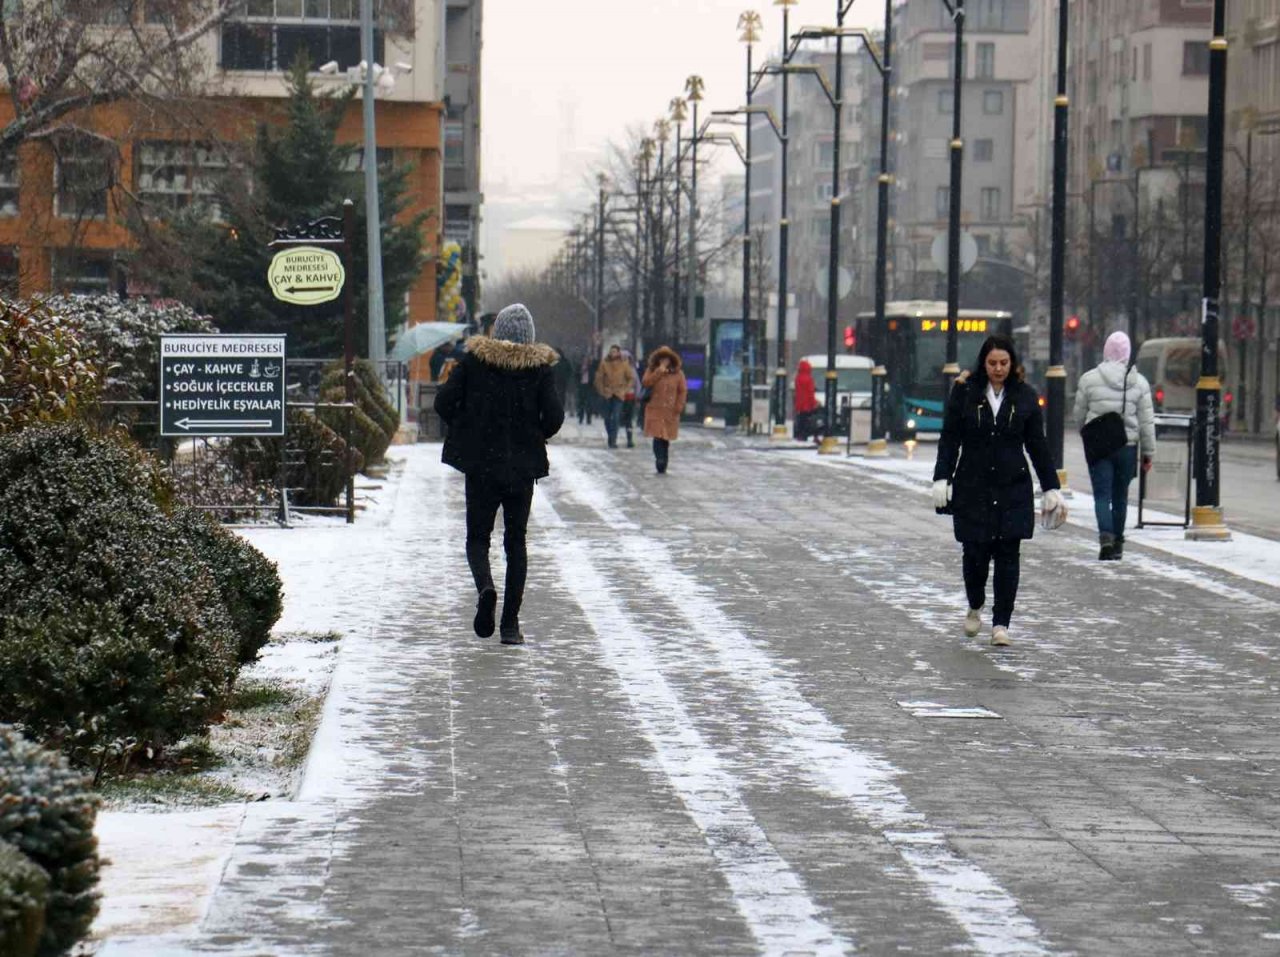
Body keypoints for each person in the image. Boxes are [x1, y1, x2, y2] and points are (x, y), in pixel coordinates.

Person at [435, 303, 564, 645]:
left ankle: (485, 587)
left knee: (478, 538)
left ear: (497, 332)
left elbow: (443, 403)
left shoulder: (474, 362)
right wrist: (533, 434)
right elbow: (554, 417)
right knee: (516, 542)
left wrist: (467, 427)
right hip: (522, 469)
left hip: (481, 465)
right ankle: (510, 625)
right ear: (529, 336)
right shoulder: (539, 369)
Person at [932, 335, 1063, 647]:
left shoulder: (1025, 397)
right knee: (974, 554)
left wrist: (1051, 487)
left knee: (1008, 556)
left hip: (1012, 488)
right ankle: (975, 603)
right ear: (984, 363)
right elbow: (950, 438)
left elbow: (1037, 445)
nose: (998, 369)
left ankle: (1001, 623)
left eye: (1004, 363)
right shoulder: (966, 392)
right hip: (972, 486)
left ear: (1012, 363)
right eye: (992, 363)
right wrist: (942, 477)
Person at [1074, 330, 1156, 561]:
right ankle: (1118, 541)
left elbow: (1079, 415)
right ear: (1127, 353)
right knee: (1120, 496)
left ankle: (1106, 539)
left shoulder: (1089, 379)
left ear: (1105, 351)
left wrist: (1088, 433)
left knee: (1102, 496)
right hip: (1126, 446)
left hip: (1099, 446)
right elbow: (1146, 422)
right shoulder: (1138, 382)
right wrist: (1148, 452)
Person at [642, 345, 688, 475]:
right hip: (655, 408)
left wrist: (679, 406)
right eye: (661, 359)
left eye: (666, 359)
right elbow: (646, 382)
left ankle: (664, 461)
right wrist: (659, 371)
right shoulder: (652, 370)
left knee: (665, 437)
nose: (664, 361)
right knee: (657, 436)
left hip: (670, 410)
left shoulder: (678, 374)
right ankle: (659, 460)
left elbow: (682, 391)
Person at [594, 343, 632, 448]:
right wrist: (602, 390)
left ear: (618, 352)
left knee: (616, 416)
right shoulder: (604, 363)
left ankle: (613, 440)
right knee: (607, 418)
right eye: (611, 351)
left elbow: (630, 378)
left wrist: (625, 389)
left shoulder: (624, 363)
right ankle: (610, 436)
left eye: (615, 351)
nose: (613, 353)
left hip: (619, 393)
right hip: (607, 393)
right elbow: (599, 378)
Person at [620, 348, 642, 448]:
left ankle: (629, 439)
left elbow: (637, 385)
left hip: (629, 397)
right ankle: (613, 439)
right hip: (618, 397)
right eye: (622, 358)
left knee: (628, 419)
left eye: (626, 358)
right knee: (617, 418)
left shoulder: (632, 370)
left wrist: (638, 396)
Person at [793, 359, 820, 442]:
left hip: (800, 404)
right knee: (813, 419)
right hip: (808, 404)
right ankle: (815, 436)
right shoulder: (809, 379)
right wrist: (814, 402)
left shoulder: (797, 378)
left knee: (801, 419)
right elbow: (810, 392)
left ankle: (801, 435)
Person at [576, 353, 595, 425]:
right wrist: (578, 384)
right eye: (584, 359)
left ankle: (588, 418)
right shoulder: (579, 366)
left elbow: (593, 376)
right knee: (581, 403)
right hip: (581, 386)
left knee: (589, 403)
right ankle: (580, 418)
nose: (585, 360)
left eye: (587, 359)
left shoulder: (591, 367)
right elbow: (576, 375)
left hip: (589, 387)